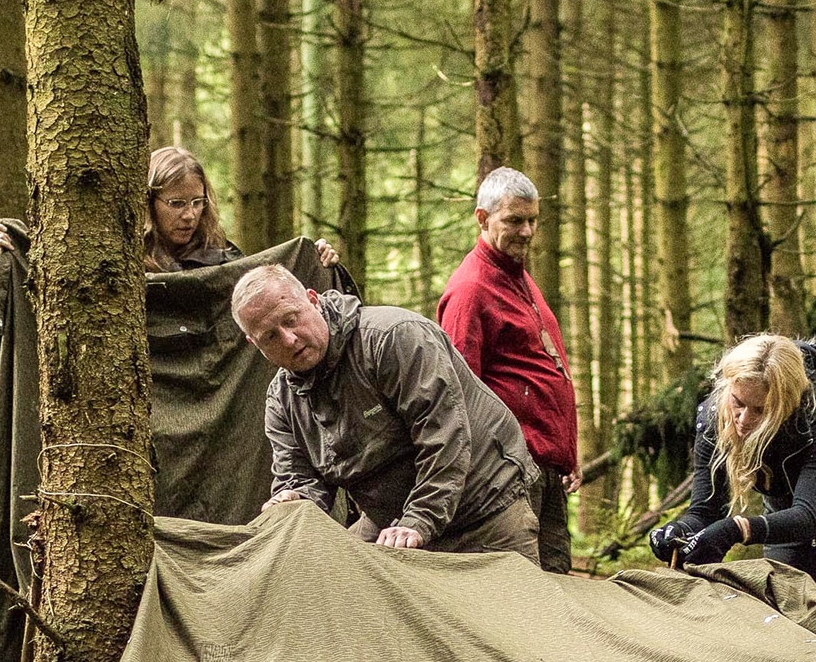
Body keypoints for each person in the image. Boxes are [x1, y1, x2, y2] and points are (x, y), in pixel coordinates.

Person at [232, 264, 543, 563]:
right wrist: (294, 498)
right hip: (391, 519)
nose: (289, 339)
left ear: (313, 300)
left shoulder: (393, 338)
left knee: (507, 599)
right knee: (339, 584)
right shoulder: (282, 401)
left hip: (484, 506)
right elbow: (299, 479)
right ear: (254, 344)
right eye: (270, 336)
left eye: (291, 319)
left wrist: (419, 520)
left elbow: (444, 436)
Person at [648, 334, 816, 597]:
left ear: (786, 403)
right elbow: (705, 510)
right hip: (786, 515)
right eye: (738, 403)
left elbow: (806, 516)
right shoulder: (714, 418)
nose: (743, 419)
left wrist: (736, 529)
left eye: (760, 410)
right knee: (787, 611)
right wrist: (680, 530)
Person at [436, 167, 580, 574]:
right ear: (482, 218)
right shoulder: (471, 289)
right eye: (514, 220)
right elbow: (459, 395)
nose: (527, 231)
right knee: (523, 584)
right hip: (510, 472)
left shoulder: (519, 277)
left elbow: (545, 370)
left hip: (544, 470)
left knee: (557, 582)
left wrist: (568, 453)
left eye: (532, 220)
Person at [0, 146, 339, 271]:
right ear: (149, 203)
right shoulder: (119, 258)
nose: (189, 215)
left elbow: (271, 297)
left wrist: (316, 263)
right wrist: (16, 254)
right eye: (176, 203)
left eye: (197, 202)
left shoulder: (223, 259)